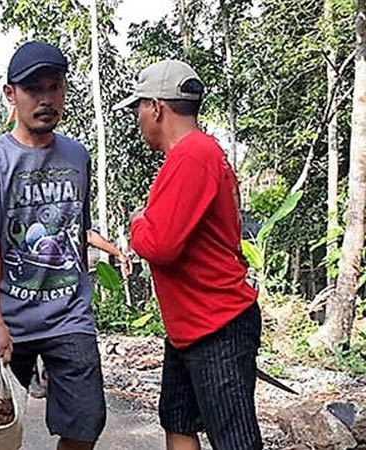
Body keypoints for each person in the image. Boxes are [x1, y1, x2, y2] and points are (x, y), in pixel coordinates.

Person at [0, 41, 106, 450]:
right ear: (11, 95)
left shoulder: (77, 156)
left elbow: (77, 229)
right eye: (32, 89)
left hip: (68, 317)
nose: (45, 99)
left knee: (85, 425)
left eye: (54, 87)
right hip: (9, 324)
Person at [115, 59, 261, 450]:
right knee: (177, 418)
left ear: (157, 107)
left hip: (217, 324)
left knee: (234, 439)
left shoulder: (192, 155)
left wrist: (137, 221)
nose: (138, 119)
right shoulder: (195, 154)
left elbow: (159, 245)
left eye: (138, 108)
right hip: (191, 328)